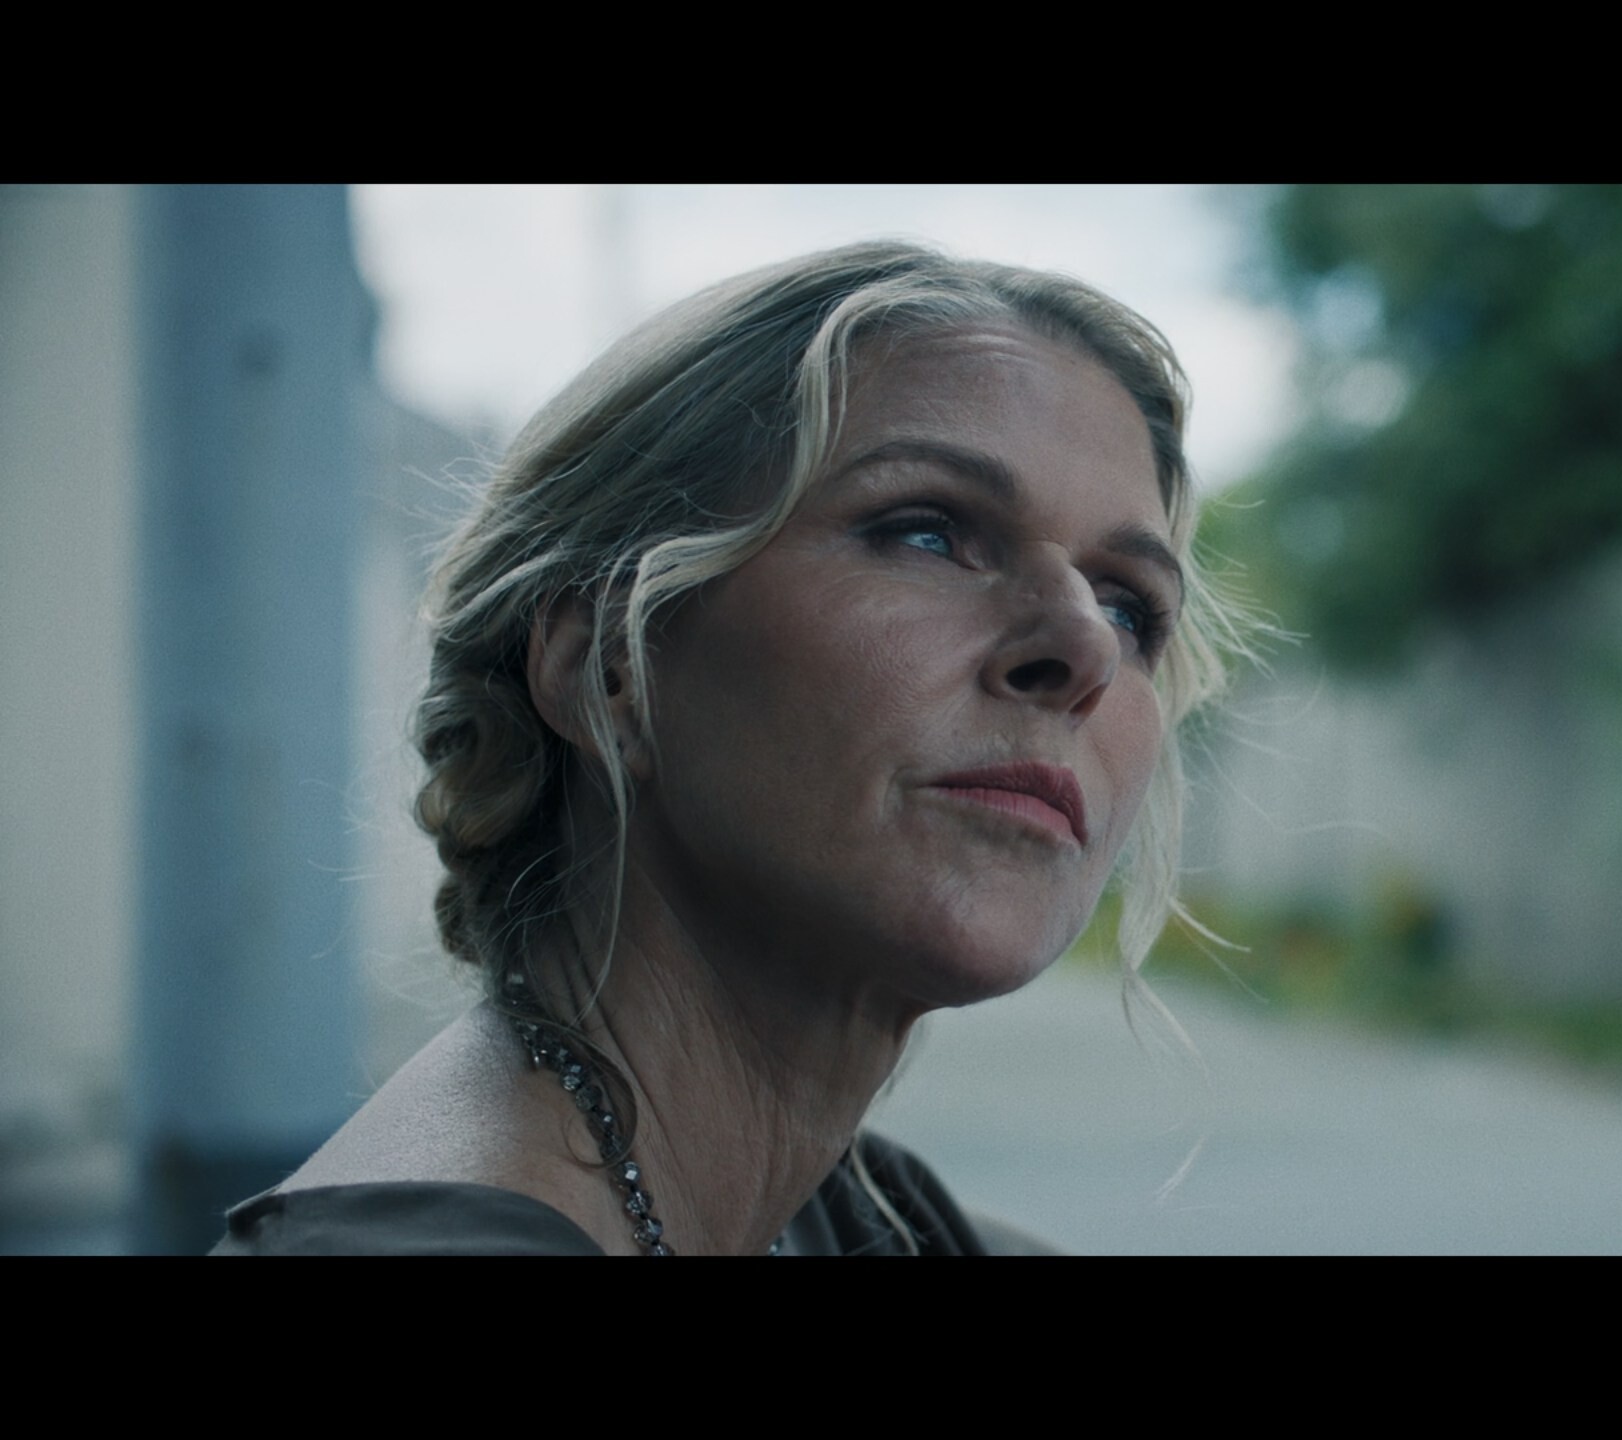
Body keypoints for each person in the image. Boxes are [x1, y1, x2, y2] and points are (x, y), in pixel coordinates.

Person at [214, 242, 1243, 1254]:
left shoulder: (864, 1223)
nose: (1083, 648)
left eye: (1128, 605)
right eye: (926, 531)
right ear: (608, 667)